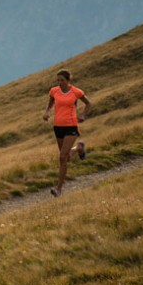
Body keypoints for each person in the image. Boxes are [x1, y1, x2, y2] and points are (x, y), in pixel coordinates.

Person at [42, 69, 91, 197]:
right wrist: (47, 112)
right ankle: (79, 148)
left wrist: (82, 115)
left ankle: (58, 188)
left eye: (62, 80)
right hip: (58, 126)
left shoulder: (76, 92)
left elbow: (88, 103)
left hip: (71, 126)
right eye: (58, 80)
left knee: (62, 157)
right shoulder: (54, 91)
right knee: (66, 157)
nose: (59, 82)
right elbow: (51, 102)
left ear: (68, 80)